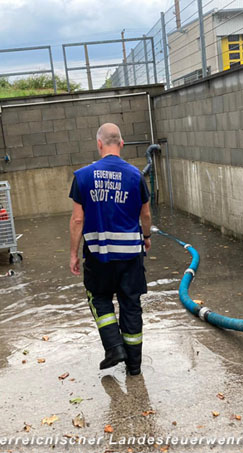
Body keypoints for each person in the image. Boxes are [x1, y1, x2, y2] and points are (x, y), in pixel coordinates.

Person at [69, 123, 152, 376]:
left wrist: (73, 252)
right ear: (122, 144)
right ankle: (134, 366)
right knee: (131, 304)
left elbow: (77, 220)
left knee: (99, 297)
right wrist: (146, 237)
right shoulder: (136, 176)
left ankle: (114, 347)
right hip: (130, 255)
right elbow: (146, 213)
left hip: (98, 255)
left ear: (99, 143)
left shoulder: (82, 176)